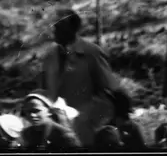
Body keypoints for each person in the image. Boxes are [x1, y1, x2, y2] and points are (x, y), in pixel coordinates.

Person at [41, 8, 119, 145]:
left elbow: (109, 90)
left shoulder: (91, 52)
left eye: (59, 26)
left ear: (73, 28)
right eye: (54, 25)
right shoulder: (50, 55)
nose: (54, 29)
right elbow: (44, 89)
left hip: (86, 118)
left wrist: (86, 113)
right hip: (58, 116)